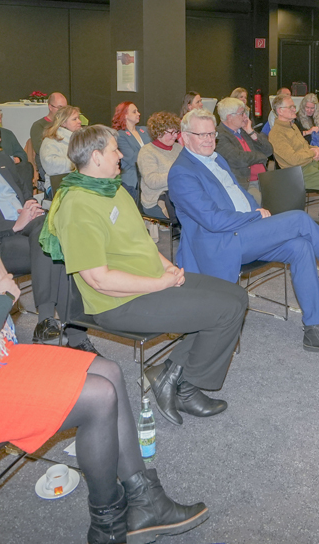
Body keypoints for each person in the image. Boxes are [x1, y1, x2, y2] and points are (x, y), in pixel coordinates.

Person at [0, 151, 208, 544]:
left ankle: (146, 500)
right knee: (98, 395)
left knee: (107, 369)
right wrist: (2, 295)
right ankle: (109, 525)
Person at [45, 126, 247, 426]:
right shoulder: (77, 205)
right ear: (97, 157)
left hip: (151, 280)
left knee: (237, 295)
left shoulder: (113, 188)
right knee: (225, 311)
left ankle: (171, 372)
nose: (122, 155)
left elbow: (142, 242)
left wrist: (166, 266)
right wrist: (159, 283)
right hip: (119, 302)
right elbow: (99, 280)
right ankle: (186, 388)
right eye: (115, 149)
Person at [168, 109, 319, 356]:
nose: (208, 139)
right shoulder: (182, 172)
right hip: (220, 243)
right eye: (201, 134)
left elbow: (238, 193)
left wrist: (255, 208)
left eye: (212, 134)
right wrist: (255, 216)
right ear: (184, 136)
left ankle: (315, 329)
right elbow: (212, 220)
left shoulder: (215, 158)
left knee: (301, 246)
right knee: (299, 219)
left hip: (245, 231)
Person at [0, 112, 93, 353]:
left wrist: (31, 205)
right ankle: (73, 332)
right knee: (55, 246)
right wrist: (14, 225)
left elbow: (23, 193)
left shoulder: (0, 160)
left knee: (51, 235)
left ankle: (48, 321)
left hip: (27, 227)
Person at [213, 98, 273, 203]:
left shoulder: (244, 131)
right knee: (265, 203)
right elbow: (239, 159)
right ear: (229, 117)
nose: (245, 116)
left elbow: (269, 150)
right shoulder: (220, 135)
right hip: (245, 183)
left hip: (263, 180)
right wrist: (261, 156)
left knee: (285, 196)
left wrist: (251, 131)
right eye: (242, 113)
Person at [267, 95, 319, 191]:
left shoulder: (292, 126)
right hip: (298, 173)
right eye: (290, 107)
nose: (294, 110)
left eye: (294, 107)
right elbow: (293, 159)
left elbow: (305, 146)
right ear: (280, 111)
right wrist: (313, 152)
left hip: (310, 164)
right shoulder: (276, 134)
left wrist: (316, 148)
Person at [137, 112, 182, 220]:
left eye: (176, 132)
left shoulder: (178, 148)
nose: (175, 136)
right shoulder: (147, 152)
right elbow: (152, 181)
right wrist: (177, 174)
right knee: (193, 214)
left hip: (178, 196)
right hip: (156, 201)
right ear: (159, 132)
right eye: (171, 132)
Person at [113, 102, 150, 205]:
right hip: (132, 181)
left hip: (148, 178)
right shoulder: (120, 135)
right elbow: (132, 159)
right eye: (134, 112)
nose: (138, 114)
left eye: (137, 111)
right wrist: (150, 154)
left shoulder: (144, 130)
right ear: (124, 115)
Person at [40, 105, 83, 179]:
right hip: (59, 184)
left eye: (78, 118)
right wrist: (81, 163)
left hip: (79, 181)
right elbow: (50, 165)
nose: (79, 121)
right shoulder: (50, 141)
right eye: (74, 119)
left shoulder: (83, 139)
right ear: (63, 123)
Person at [29, 92, 69, 157]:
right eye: (60, 108)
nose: (63, 112)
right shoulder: (38, 126)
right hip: (47, 161)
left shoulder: (68, 124)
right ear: (50, 107)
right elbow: (40, 150)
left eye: (65, 109)